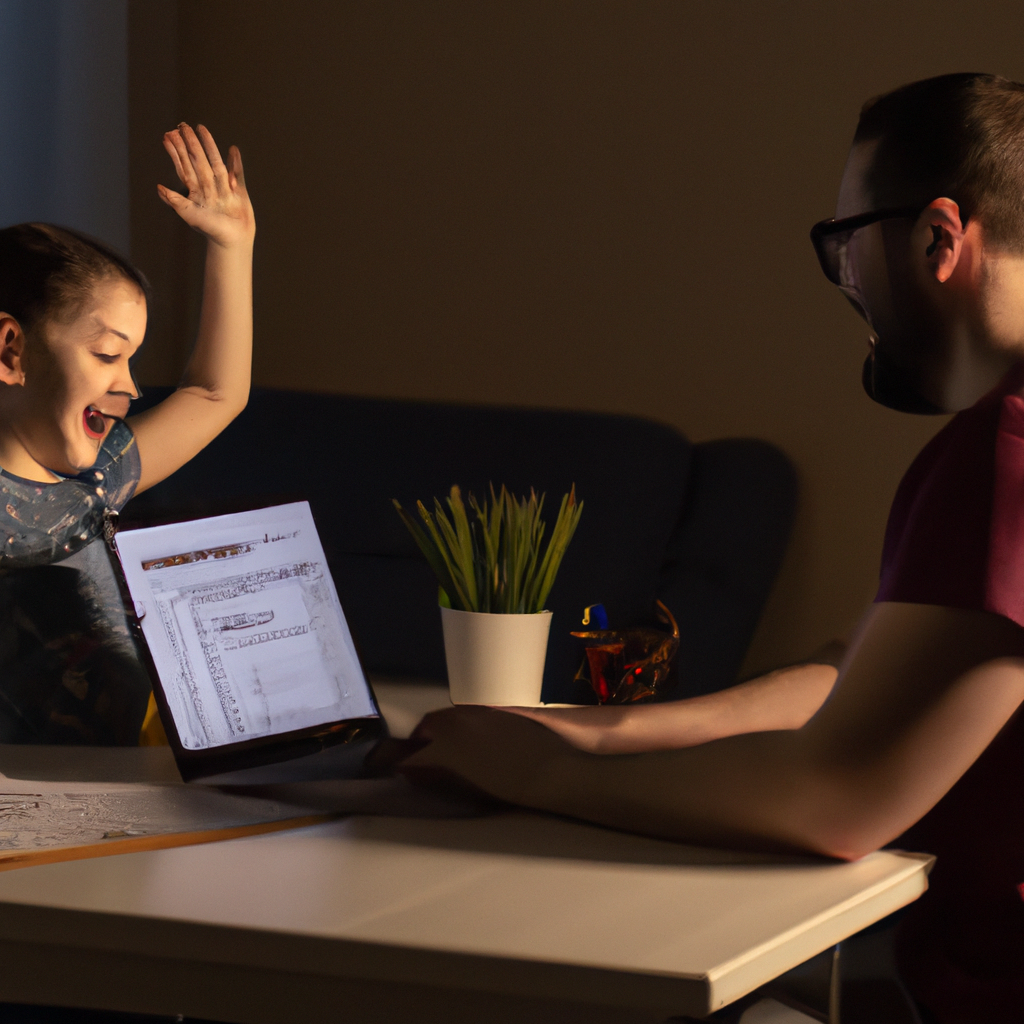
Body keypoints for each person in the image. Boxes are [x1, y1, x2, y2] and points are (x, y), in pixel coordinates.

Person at [394, 74, 1024, 1023]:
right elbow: (869, 678)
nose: (846, 285)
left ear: (940, 239)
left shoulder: (1001, 455)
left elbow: (837, 798)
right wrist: (610, 731)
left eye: (845, 246)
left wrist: (535, 773)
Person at [0, 123, 254, 745]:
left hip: (134, 783)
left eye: (133, 360)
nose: (132, 387)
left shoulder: (97, 479)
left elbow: (216, 394)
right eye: (108, 355)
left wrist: (232, 245)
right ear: (11, 349)